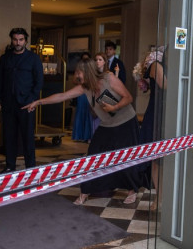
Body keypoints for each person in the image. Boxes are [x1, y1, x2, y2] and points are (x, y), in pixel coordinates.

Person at [22, 58, 144, 205]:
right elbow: (62, 96)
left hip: (125, 122)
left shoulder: (109, 78)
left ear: (88, 72)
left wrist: (114, 107)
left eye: (80, 71)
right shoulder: (85, 87)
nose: (78, 75)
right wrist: (38, 102)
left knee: (126, 157)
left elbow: (128, 97)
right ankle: (85, 192)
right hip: (107, 124)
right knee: (93, 154)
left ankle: (132, 190)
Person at [0, 28, 44, 172]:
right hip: (8, 104)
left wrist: (32, 100)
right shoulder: (5, 58)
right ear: (12, 40)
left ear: (25, 41)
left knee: (28, 137)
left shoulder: (33, 58)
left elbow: (39, 82)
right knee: (9, 136)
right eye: (15, 39)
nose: (18, 42)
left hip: (27, 104)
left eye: (21, 39)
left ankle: (30, 167)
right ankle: (10, 166)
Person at [139, 46, 166, 194]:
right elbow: (166, 85)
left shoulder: (163, 66)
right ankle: (159, 197)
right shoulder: (156, 66)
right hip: (157, 112)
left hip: (165, 111)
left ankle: (161, 196)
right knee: (156, 158)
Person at [71, 52, 95, 142]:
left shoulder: (92, 72)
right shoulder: (79, 70)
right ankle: (79, 135)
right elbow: (74, 80)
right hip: (81, 93)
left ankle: (88, 135)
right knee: (80, 112)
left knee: (89, 113)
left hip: (89, 92)